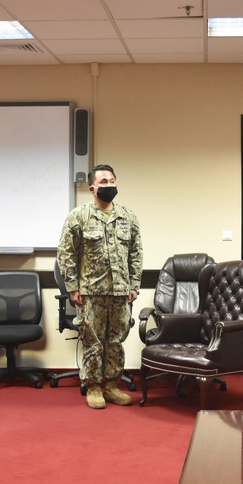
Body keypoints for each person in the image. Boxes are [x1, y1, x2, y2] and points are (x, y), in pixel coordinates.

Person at [58, 164, 143, 409]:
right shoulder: (79, 216)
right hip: (91, 292)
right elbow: (66, 254)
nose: (108, 185)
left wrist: (134, 285)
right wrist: (73, 287)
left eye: (112, 180)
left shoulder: (128, 217)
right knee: (93, 342)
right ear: (92, 188)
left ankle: (113, 385)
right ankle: (94, 387)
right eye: (103, 182)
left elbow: (136, 254)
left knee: (116, 341)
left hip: (120, 291)